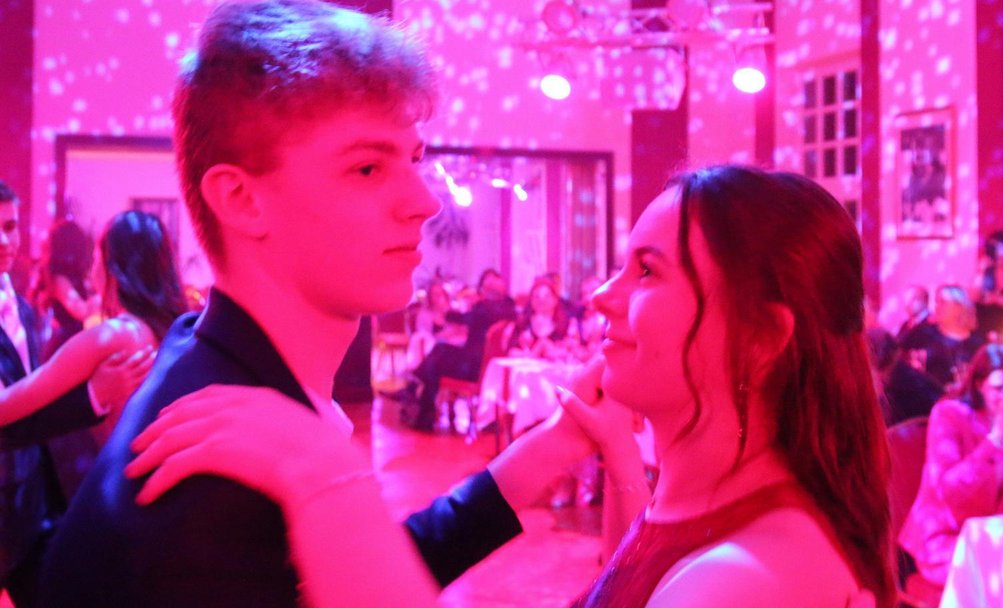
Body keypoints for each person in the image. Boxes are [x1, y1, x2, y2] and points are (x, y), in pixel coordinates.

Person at [128, 165, 896, 607]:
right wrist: (597, 453)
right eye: (367, 167)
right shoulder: (704, 510)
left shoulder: (738, 583)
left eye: (648, 271)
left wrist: (325, 479)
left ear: (759, 338)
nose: (601, 296)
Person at [35, 0, 534, 608]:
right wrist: (331, 476)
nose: (425, 202)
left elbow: (351, 568)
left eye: (414, 159)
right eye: (368, 168)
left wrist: (549, 451)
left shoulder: (217, 358)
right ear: (241, 200)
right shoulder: (214, 493)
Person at [0, 183, 141, 608]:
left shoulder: (21, 308)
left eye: (10, 227)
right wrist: (92, 397)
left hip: (28, 499)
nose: (5, 241)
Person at [39, 210, 186, 498]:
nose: (90, 266)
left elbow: (17, 405)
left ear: (113, 266)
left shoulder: (116, 335)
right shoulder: (175, 331)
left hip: (116, 493)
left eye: (96, 256)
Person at [899, 344, 1003, 590]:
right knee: (1002, 579)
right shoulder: (949, 414)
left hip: (995, 539)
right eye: (999, 388)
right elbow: (948, 492)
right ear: (979, 385)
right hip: (946, 539)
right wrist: (995, 441)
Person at [405, 267, 517, 430]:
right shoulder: (509, 308)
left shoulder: (484, 308)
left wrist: (446, 311)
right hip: (484, 365)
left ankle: (416, 393)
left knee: (435, 361)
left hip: (473, 367)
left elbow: (465, 319)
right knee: (438, 353)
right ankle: (419, 402)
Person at [33, 219, 98, 351]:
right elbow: (82, 310)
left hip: (74, 342)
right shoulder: (58, 278)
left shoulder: (75, 274)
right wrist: (106, 294)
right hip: (64, 345)